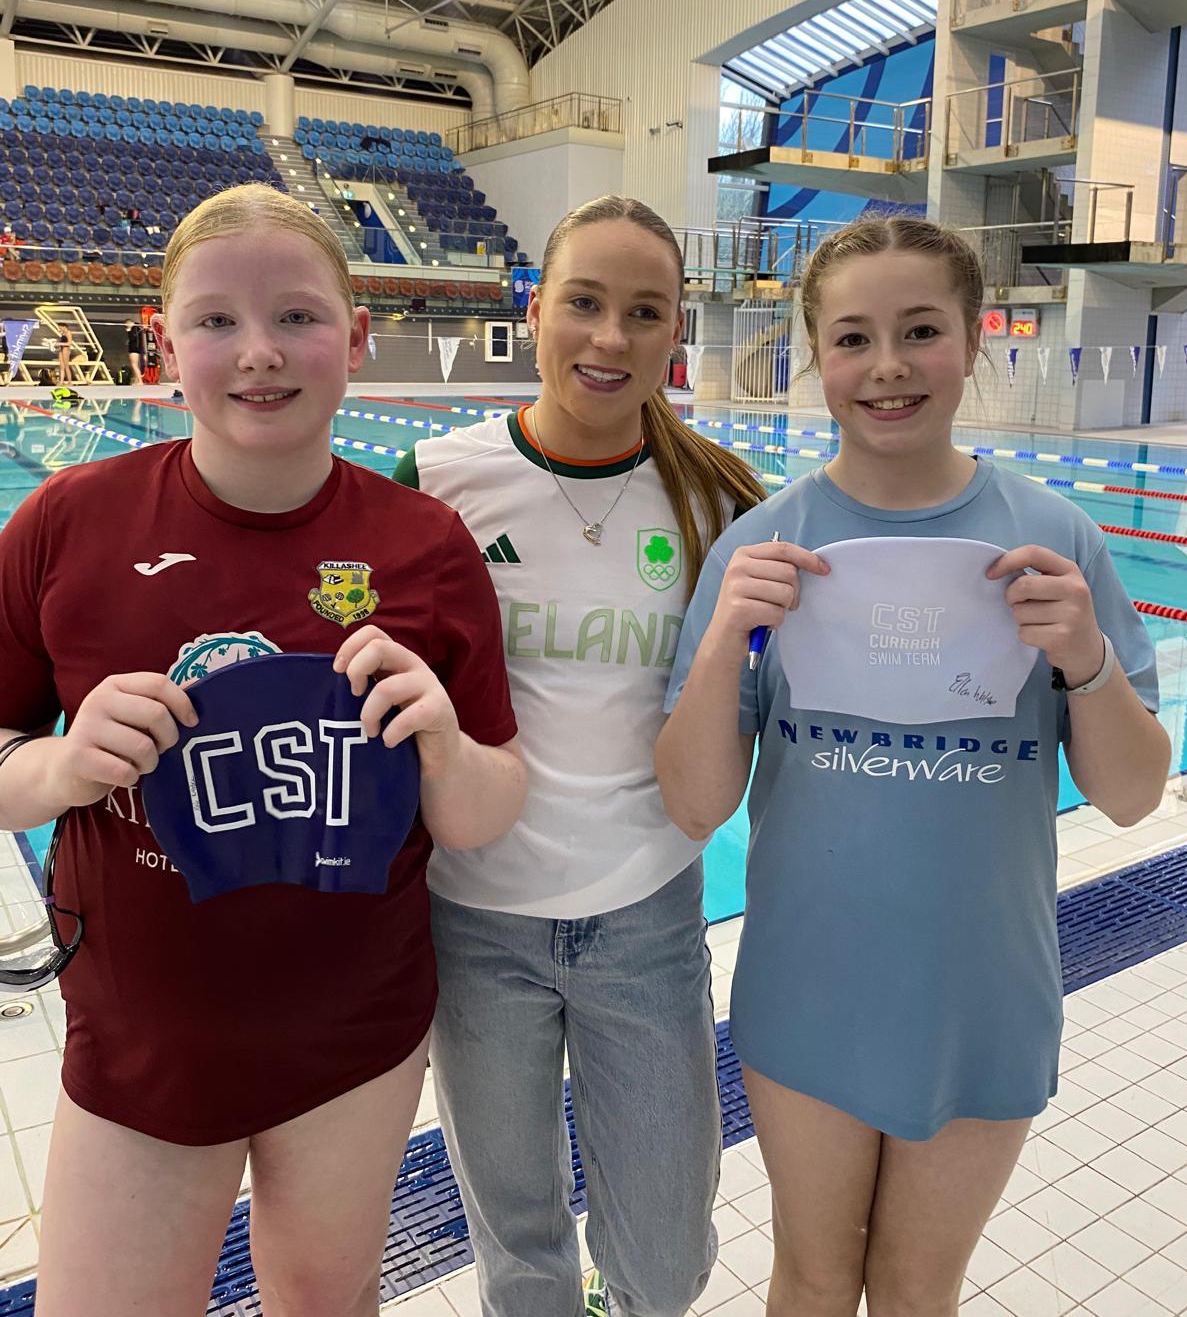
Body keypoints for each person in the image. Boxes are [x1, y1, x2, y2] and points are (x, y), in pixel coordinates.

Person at [0, 182, 525, 1317]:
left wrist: (438, 732)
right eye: (217, 321)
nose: (259, 355)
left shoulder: (424, 545)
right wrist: (62, 765)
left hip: (356, 1041)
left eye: (296, 316)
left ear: (358, 336)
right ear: (165, 338)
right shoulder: (66, 522)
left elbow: (486, 808)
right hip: (142, 1039)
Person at [656, 215, 1172, 1317]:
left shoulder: (1055, 536)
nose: (886, 366)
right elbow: (695, 804)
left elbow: (1132, 798)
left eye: (920, 330)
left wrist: (1085, 659)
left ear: (972, 342)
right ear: (816, 356)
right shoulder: (765, 545)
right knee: (813, 1275)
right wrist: (719, 645)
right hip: (812, 984)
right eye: (852, 339)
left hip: (984, 991)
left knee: (917, 1286)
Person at [392, 195, 765, 1317]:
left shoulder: (719, 496)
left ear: (675, 331)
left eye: (643, 312)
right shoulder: (435, 479)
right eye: (586, 303)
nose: (610, 338)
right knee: (517, 1240)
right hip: (474, 920)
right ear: (535, 307)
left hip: (645, 915)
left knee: (661, 1249)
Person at [124, 319, 144, 385]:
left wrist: (129, 331)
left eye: (126, 325)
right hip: (136, 348)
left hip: (134, 349)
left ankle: (140, 381)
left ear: (129, 323)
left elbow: (132, 338)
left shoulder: (134, 328)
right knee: (135, 365)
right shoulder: (137, 328)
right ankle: (137, 380)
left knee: (134, 365)